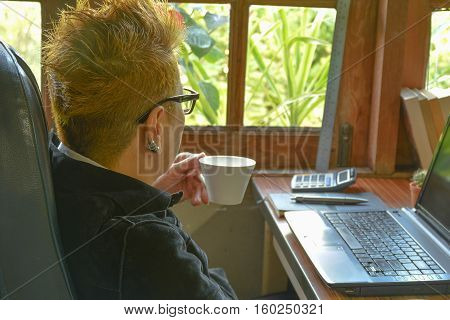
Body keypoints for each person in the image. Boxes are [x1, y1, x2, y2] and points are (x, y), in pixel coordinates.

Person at [44, 0, 237, 299]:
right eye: (182, 102)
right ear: (156, 124)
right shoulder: (147, 244)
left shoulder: (52, 168)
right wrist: (155, 211)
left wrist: (150, 194)